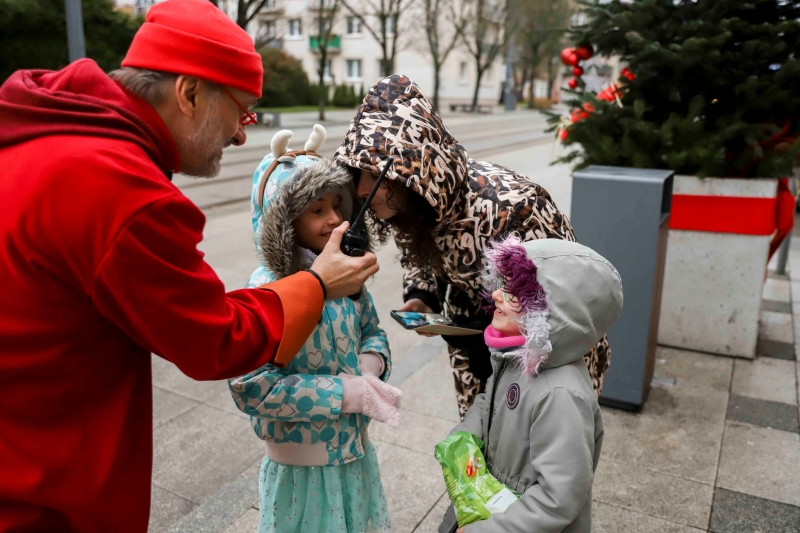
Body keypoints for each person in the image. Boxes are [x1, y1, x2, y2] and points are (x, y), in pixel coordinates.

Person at [0, 1, 377, 530]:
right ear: (190, 92)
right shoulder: (123, 190)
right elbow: (214, 339)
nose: (243, 135)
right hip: (42, 492)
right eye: (241, 111)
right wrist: (316, 284)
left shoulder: (52, 132)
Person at [334, 75, 611, 420]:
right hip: (477, 365)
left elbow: (567, 304)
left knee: (534, 464)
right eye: (356, 174)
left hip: (544, 381)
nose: (361, 190)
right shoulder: (419, 204)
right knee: (479, 459)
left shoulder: (513, 207)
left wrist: (491, 336)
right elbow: (420, 258)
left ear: (412, 171)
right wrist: (422, 298)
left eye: (372, 175)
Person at [228, 127, 399, 533]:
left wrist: (371, 365)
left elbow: (372, 330)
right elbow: (253, 386)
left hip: (354, 459)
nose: (336, 219)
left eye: (336, 205)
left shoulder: (347, 277)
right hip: (299, 473)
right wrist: (344, 394)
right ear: (284, 221)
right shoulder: (268, 288)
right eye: (316, 210)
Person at [440, 236, 623, 533]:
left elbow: (558, 498)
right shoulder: (517, 356)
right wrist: (464, 439)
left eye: (515, 293)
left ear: (552, 313)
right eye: (502, 284)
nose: (497, 295)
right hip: (494, 502)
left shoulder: (560, 395)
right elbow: (489, 401)